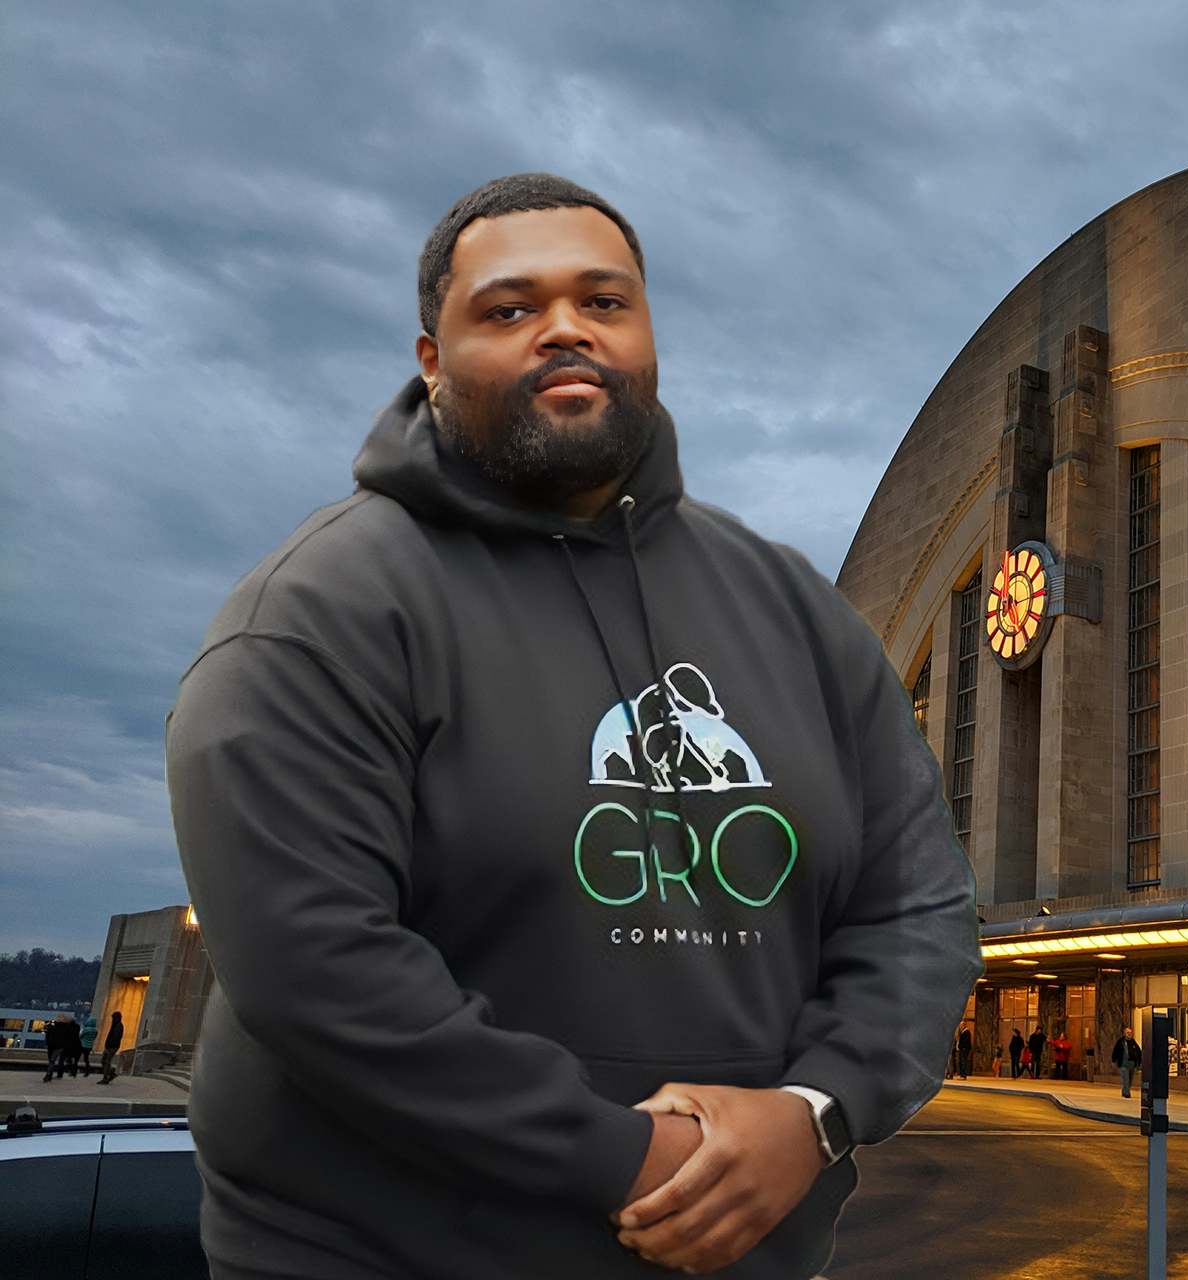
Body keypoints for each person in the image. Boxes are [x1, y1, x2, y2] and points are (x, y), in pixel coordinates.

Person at [166, 173, 982, 1280]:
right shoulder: (320, 612)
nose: (565, 329)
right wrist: (636, 1158)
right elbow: (314, 969)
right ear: (429, 359)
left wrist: (813, 1112)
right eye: (508, 309)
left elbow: (919, 908)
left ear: (647, 338)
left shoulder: (796, 612)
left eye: (604, 302)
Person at [1113, 1027, 1142, 1098]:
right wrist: (1114, 1059)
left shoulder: (1133, 1042)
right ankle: (1127, 1093)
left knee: (1130, 1078)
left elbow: (1139, 1051)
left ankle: (1125, 1091)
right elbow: (1115, 1051)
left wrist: (1139, 1061)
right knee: (1125, 1078)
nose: (1129, 1034)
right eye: (1128, 1033)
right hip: (1124, 1063)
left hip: (1133, 1063)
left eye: (1130, 1033)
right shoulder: (1121, 1042)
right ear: (1124, 1034)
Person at [97, 1011, 123, 1084]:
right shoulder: (116, 1025)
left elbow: (115, 1037)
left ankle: (106, 1077)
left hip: (112, 1046)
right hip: (111, 1046)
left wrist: (108, 1045)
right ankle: (111, 1073)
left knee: (106, 1062)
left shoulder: (118, 1026)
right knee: (104, 1061)